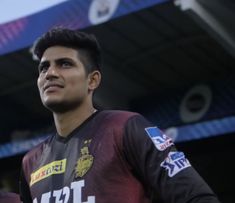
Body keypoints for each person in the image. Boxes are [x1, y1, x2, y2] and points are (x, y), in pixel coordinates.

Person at [19, 27, 220, 203]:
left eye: (64, 64)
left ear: (93, 80)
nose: (50, 73)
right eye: (44, 67)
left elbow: (197, 197)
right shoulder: (31, 162)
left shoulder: (126, 127)